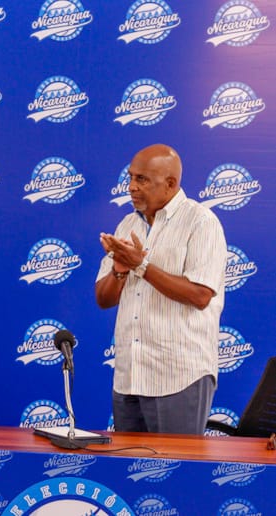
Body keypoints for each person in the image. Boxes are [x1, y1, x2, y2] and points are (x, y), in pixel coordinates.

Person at [95, 143, 226, 435]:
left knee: (176, 465)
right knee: (128, 465)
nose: (131, 187)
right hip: (129, 377)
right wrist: (120, 269)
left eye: (142, 179)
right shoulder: (127, 224)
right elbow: (103, 299)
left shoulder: (201, 222)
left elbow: (200, 295)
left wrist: (140, 265)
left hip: (179, 377)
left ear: (170, 183)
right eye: (130, 177)